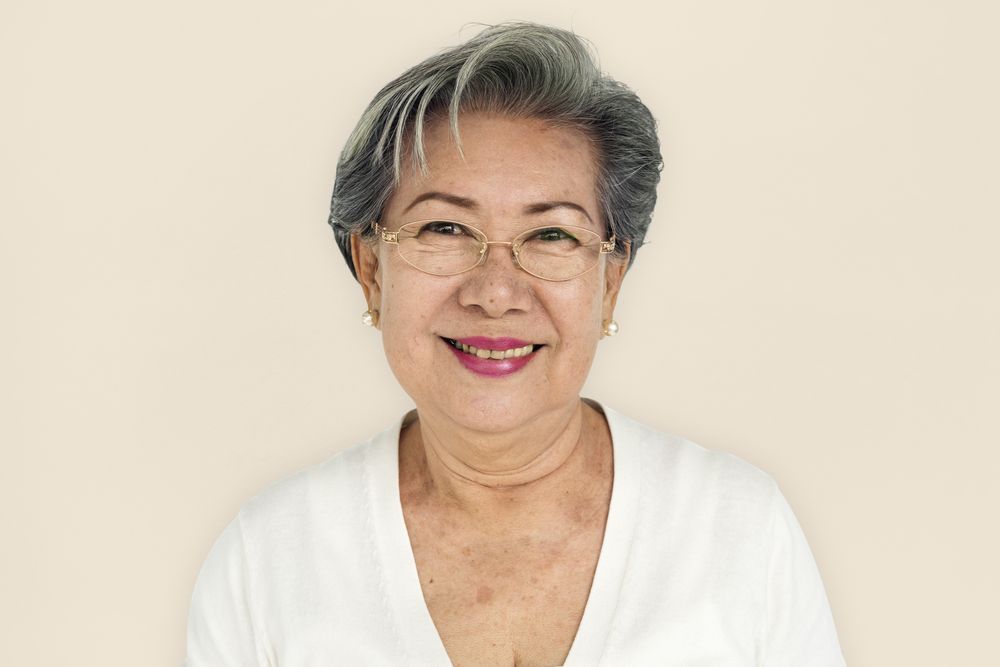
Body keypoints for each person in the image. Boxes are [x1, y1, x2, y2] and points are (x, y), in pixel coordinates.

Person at [185, 22, 845, 666]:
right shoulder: (266, 560)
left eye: (552, 235)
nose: (496, 292)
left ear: (610, 279)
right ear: (370, 269)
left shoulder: (741, 530)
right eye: (444, 227)